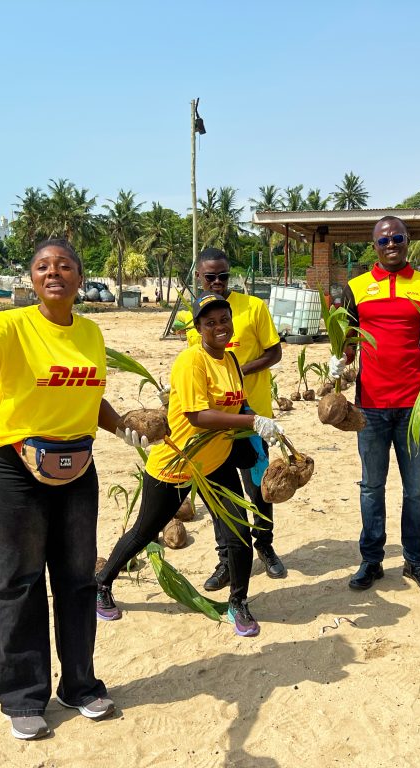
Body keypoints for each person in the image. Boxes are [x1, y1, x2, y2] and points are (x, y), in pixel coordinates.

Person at [0, 239, 144, 740]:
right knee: (21, 580)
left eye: (64, 265)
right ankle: (23, 697)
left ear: (80, 277)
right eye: (42, 266)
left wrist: (122, 425)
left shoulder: (91, 333)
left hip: (77, 468)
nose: (53, 272)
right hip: (13, 469)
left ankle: (79, 685)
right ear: (32, 278)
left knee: (78, 580)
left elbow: (89, 394)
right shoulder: (11, 325)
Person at [95, 291, 285, 638]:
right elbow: (198, 416)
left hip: (215, 461)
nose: (219, 327)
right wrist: (253, 422)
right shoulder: (190, 361)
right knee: (144, 531)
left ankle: (238, 602)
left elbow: (236, 406)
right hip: (177, 462)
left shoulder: (230, 360)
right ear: (198, 329)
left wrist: (259, 431)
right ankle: (102, 583)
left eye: (224, 319)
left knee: (239, 532)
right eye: (210, 322)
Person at [331, 216, 420, 592]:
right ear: (374, 245)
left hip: (416, 407)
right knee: (371, 486)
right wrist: (339, 360)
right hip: (369, 407)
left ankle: (417, 562)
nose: (391, 245)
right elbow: (348, 343)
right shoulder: (356, 287)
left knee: (416, 489)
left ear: (407, 241)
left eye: (397, 238)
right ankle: (371, 561)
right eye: (384, 240)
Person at [178, 248, 287, 589]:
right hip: (215, 425)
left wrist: (238, 370)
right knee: (219, 497)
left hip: (253, 420)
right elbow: (196, 362)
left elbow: (275, 352)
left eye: (223, 276)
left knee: (260, 489)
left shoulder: (253, 307)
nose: (217, 282)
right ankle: (226, 559)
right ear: (199, 277)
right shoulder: (195, 314)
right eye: (210, 277)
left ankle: (265, 547)